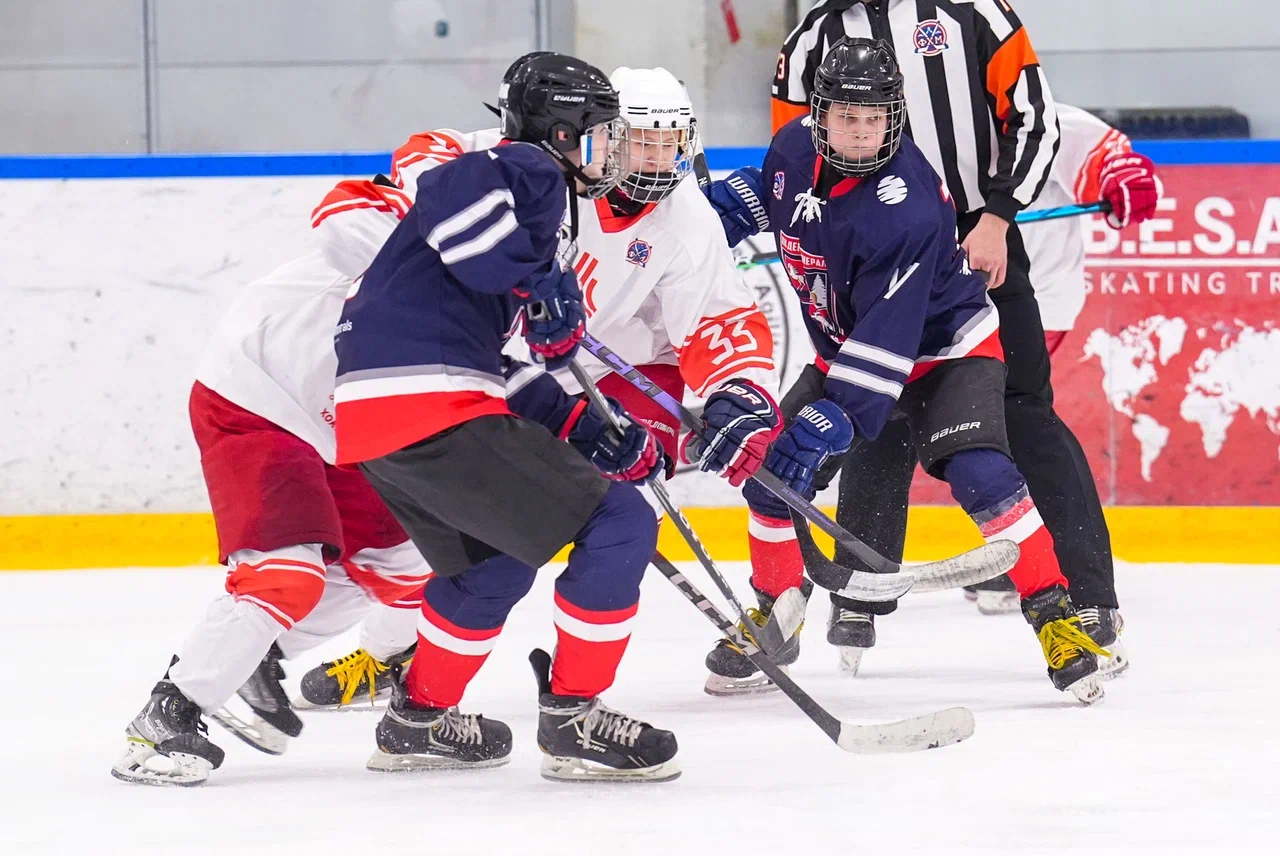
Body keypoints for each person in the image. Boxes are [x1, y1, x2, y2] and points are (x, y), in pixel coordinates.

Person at [295, 64, 784, 711]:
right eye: (638, 141)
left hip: (561, 384)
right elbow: (403, 183)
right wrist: (492, 277)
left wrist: (738, 389)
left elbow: (720, 317)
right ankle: (399, 657)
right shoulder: (525, 166)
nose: (656, 161)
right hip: (469, 376)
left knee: (514, 542)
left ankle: (443, 697)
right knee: (446, 544)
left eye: (672, 143)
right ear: (594, 133)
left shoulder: (684, 214)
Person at [701, 38, 1109, 702]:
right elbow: (756, 197)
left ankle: (1057, 618)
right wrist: (691, 229)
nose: (862, 133)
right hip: (854, 349)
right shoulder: (790, 151)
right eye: (846, 117)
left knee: (983, 474)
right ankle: (777, 613)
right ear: (819, 114)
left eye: (875, 119)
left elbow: (886, 344)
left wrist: (831, 422)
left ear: (895, 118)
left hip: (945, 350)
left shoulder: (906, 204)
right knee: (772, 480)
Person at [331, 52, 694, 783]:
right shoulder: (523, 169)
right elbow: (446, 190)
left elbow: (488, 357)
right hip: (428, 399)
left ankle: (416, 721)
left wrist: (582, 423)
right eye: (596, 136)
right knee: (621, 522)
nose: (611, 154)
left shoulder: (523, 216)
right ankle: (575, 716)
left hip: (377, 415)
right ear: (558, 135)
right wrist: (539, 283)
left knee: (491, 567)